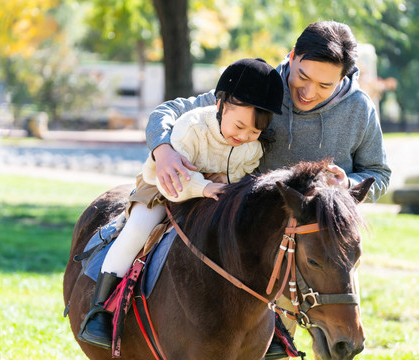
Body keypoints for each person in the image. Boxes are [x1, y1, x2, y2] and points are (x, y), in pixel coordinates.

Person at [144, 20, 391, 360]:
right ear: (292, 56)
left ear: (343, 79)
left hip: (317, 238)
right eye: (302, 77)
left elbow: (378, 172)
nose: (308, 91)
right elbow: (171, 111)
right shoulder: (263, 88)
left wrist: (346, 184)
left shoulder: (359, 110)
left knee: (338, 323)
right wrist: (163, 150)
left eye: (324, 85)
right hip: (252, 235)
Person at [77, 58, 284, 349]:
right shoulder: (191, 128)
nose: (243, 137)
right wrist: (206, 186)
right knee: (137, 229)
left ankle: (273, 322)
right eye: (239, 126)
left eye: (253, 132)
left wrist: (225, 190)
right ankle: (100, 309)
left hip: (211, 196)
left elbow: (239, 175)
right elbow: (175, 181)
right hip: (164, 190)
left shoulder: (251, 145)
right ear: (220, 105)